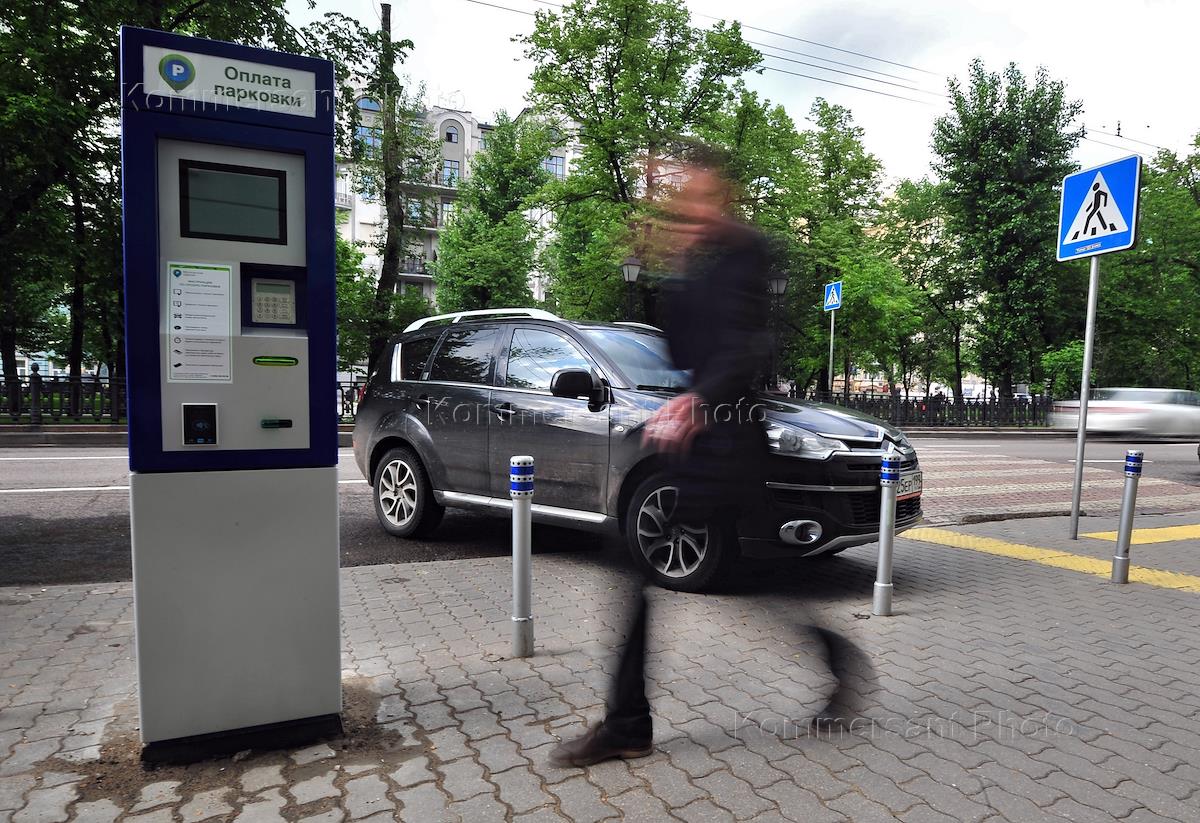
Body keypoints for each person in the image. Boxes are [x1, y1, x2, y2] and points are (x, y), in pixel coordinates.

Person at [549, 144, 772, 768]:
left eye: (698, 195)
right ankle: (627, 723)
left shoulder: (752, 252)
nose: (689, 207)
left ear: (723, 195)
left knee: (742, 576)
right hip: (697, 440)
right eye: (683, 197)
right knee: (639, 562)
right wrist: (668, 264)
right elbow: (679, 346)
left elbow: (750, 347)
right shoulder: (696, 264)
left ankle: (627, 725)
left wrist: (701, 397)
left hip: (732, 434)